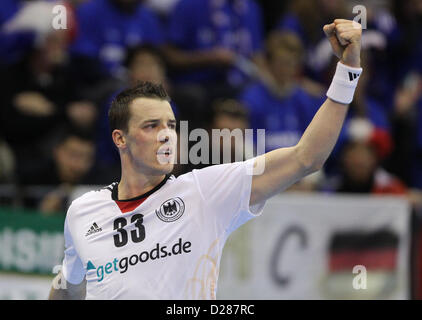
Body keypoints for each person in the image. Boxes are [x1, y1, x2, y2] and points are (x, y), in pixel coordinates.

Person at [49, 19, 363, 299]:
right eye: (151, 126)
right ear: (120, 139)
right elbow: (68, 286)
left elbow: (306, 158)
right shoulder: (82, 211)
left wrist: (347, 72)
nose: (166, 135)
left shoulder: (204, 192)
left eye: (171, 126)